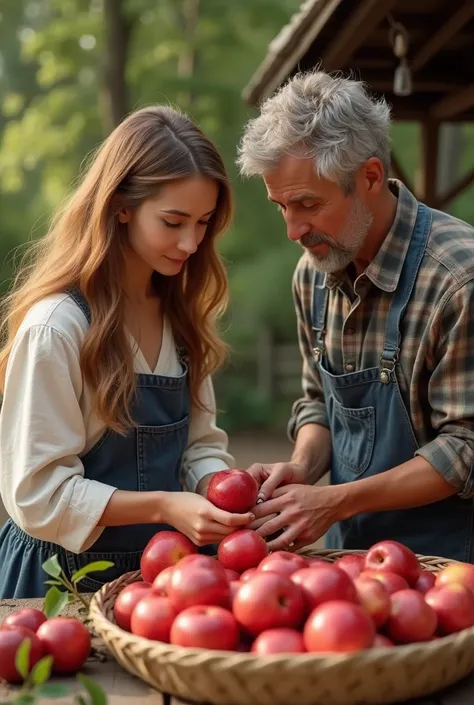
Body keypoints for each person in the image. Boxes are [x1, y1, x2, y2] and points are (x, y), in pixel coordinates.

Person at [0, 105, 255, 599]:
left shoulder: (181, 322)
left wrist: (222, 490)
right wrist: (165, 507)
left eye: (203, 223)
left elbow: (199, 447)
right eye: (173, 221)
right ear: (121, 206)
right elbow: (38, 495)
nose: (190, 242)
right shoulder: (57, 328)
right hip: (61, 581)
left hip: (164, 578)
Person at [237, 69, 474, 562]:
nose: (292, 229)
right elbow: (317, 403)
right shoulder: (313, 273)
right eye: (280, 205)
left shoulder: (458, 281)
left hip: (451, 572)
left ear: (368, 177)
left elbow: (466, 449)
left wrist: (335, 501)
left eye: (307, 204)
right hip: (349, 568)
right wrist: (303, 469)